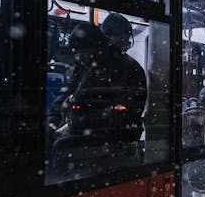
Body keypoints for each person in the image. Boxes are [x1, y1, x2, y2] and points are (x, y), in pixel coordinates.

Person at [52, 20, 147, 148]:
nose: (79, 58)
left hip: (110, 136)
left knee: (60, 146)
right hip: (79, 127)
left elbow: (126, 114)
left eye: (83, 53)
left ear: (97, 49)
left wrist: (76, 123)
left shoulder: (126, 69)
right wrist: (52, 123)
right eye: (77, 53)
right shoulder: (81, 68)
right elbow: (63, 97)